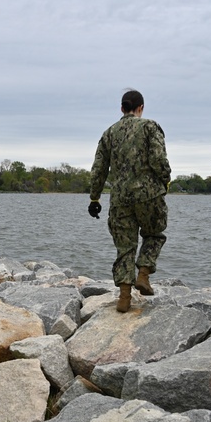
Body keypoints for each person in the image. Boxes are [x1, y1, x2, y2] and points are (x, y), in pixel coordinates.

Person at [88, 89, 171, 312]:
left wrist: (95, 198)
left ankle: (124, 298)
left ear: (122, 108)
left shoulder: (109, 133)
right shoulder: (150, 127)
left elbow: (98, 170)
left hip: (120, 198)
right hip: (149, 195)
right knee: (154, 234)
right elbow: (158, 159)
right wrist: (166, 181)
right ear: (141, 108)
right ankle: (143, 274)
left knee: (124, 246)